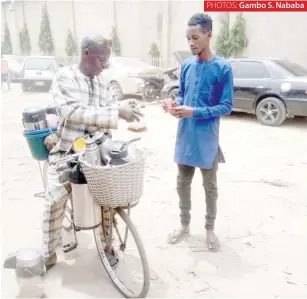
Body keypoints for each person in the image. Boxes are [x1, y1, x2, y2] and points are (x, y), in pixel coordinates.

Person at [43, 34, 143, 270]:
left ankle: (107, 246)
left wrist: (124, 108)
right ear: (86, 53)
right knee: (55, 201)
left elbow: (110, 109)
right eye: (101, 60)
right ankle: (47, 252)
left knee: (108, 201)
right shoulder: (65, 77)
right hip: (68, 152)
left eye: (107, 61)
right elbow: (71, 111)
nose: (104, 66)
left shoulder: (102, 83)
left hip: (96, 151)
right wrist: (115, 113)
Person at [162, 13, 233, 251]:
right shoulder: (188, 65)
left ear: (209, 35)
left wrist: (195, 112)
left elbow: (227, 106)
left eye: (195, 37)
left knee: (209, 186)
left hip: (207, 139)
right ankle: (184, 225)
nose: (191, 43)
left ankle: (210, 229)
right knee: (182, 182)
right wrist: (174, 105)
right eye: (188, 38)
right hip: (185, 136)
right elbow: (182, 94)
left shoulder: (223, 68)